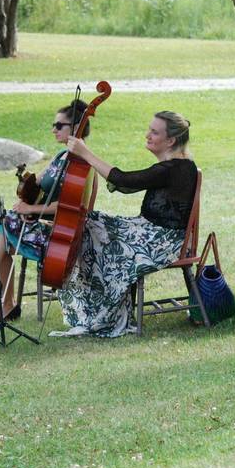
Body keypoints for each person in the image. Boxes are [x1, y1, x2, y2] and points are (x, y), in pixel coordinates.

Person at [51, 111, 197, 338]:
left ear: (170, 141)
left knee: (96, 232)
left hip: (162, 242)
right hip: (149, 231)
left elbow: (124, 180)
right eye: (150, 129)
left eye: (154, 132)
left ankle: (102, 314)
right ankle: (92, 309)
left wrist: (85, 153)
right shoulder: (176, 166)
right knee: (90, 222)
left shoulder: (173, 169)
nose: (148, 135)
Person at [0, 100, 89, 323]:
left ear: (76, 127)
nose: (54, 129)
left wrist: (31, 208)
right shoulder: (61, 157)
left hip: (60, 235)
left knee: (0, 226)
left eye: (59, 126)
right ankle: (2, 296)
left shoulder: (82, 163)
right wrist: (26, 187)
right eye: (54, 125)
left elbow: (71, 206)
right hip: (41, 226)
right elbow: (37, 183)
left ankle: (1, 294)